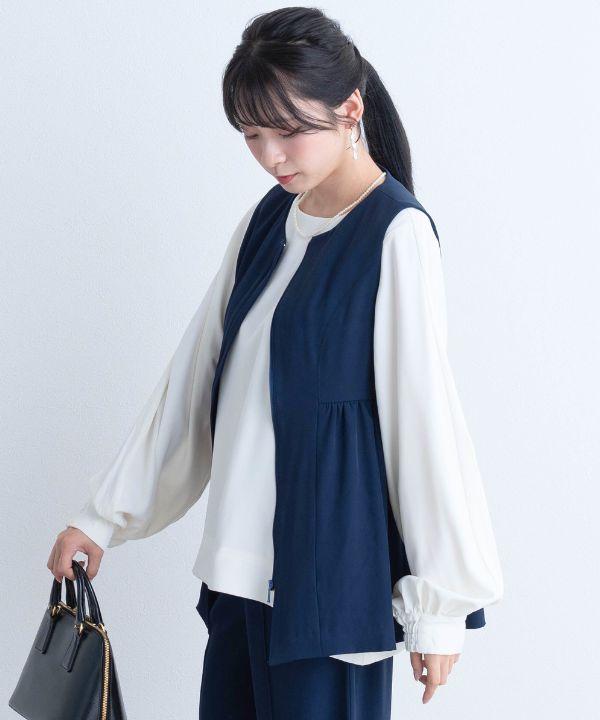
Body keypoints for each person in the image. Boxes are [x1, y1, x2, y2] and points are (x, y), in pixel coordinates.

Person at [48, 7, 504, 717]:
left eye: (288, 131)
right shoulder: (269, 220)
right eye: (252, 135)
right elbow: (194, 382)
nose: (270, 156)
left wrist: (438, 610)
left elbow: (425, 423)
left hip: (328, 600)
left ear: (349, 109)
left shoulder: (396, 234)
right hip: (238, 584)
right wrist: (103, 517)